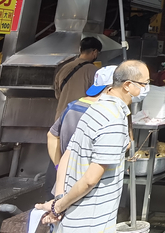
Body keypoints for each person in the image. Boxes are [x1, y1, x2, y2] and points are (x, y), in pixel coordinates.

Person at [36, 60, 150, 232]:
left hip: (70, 219)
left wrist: (59, 199)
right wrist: (58, 207)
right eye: (144, 84)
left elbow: (67, 155)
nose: (146, 88)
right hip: (89, 223)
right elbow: (90, 180)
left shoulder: (94, 109)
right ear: (127, 85)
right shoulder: (114, 121)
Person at [45, 65, 116, 194]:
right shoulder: (107, 114)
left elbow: (52, 135)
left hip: (63, 183)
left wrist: (59, 165)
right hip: (87, 191)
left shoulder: (73, 106)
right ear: (111, 89)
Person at [53, 37, 101, 120]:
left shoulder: (64, 68)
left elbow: (57, 94)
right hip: (80, 119)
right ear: (95, 52)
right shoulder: (94, 71)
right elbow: (98, 97)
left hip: (61, 117)